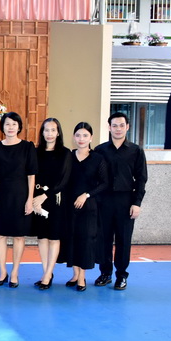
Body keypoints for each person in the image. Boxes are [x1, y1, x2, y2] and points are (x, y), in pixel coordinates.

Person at [94, 112, 148, 290]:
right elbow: (94, 178)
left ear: (128, 127)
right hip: (104, 201)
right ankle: (105, 273)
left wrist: (137, 203)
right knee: (104, 240)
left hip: (126, 201)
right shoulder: (100, 150)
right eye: (114, 125)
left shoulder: (136, 151)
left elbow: (141, 179)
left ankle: (121, 276)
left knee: (124, 240)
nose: (118, 129)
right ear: (109, 127)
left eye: (121, 125)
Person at [0, 111, 38, 288]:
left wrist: (29, 199)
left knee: (18, 236)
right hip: (0, 195)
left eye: (14, 124)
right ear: (2, 127)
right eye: (7, 124)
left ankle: (15, 272)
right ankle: (2, 271)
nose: (10, 127)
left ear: (19, 127)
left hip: (20, 195)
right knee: (0, 235)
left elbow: (31, 176)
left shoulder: (28, 147)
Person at [60, 122, 108, 291]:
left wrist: (86, 195)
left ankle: (82, 277)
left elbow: (104, 183)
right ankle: (75, 274)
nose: (81, 139)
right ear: (74, 137)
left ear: (91, 138)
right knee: (72, 239)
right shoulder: (68, 157)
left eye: (85, 135)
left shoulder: (98, 158)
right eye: (78, 135)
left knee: (85, 241)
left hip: (89, 206)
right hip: (69, 206)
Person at [31, 118, 72, 290]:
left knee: (54, 237)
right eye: (46, 130)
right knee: (42, 238)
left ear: (58, 132)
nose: (49, 133)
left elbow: (64, 180)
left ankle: (48, 274)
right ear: (42, 132)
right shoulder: (35, 152)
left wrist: (45, 196)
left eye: (53, 130)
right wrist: (33, 198)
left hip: (56, 200)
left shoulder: (65, 153)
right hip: (37, 201)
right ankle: (45, 272)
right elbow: (31, 176)